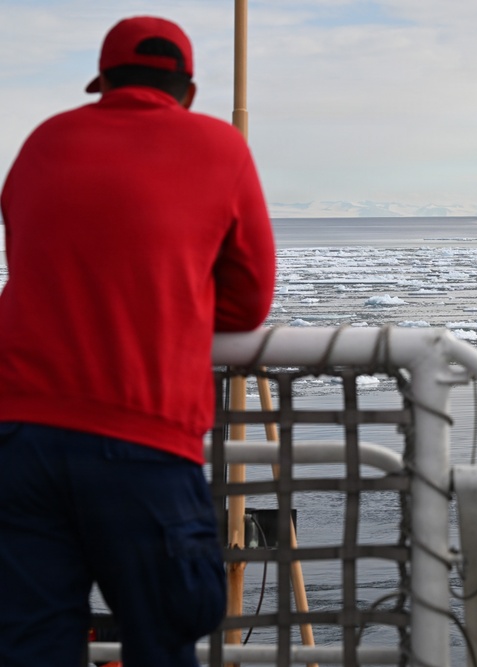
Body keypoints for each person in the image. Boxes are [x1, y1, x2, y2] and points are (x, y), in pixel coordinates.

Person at [0, 15, 276, 667]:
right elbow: (248, 301)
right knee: (167, 632)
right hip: (142, 437)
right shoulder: (219, 146)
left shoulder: (44, 141)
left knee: (29, 643)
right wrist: (170, 301)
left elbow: (28, 260)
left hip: (20, 433)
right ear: (187, 90)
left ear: (102, 83)